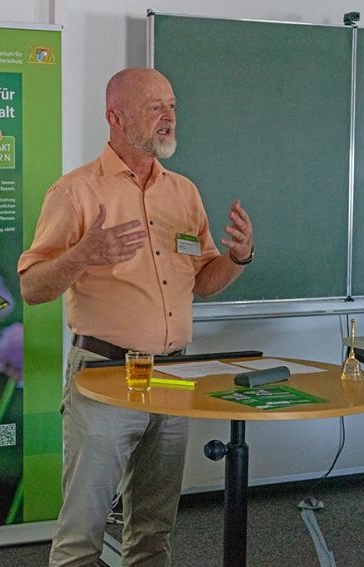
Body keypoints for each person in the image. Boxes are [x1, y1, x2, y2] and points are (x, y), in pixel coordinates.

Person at [17, 68, 254, 567]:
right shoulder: (74, 193)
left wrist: (236, 258)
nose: (169, 116)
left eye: (172, 105)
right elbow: (33, 287)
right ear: (115, 117)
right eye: (155, 107)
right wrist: (83, 254)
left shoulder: (183, 193)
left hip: (173, 376)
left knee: (152, 530)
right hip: (105, 376)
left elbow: (203, 281)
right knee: (82, 533)